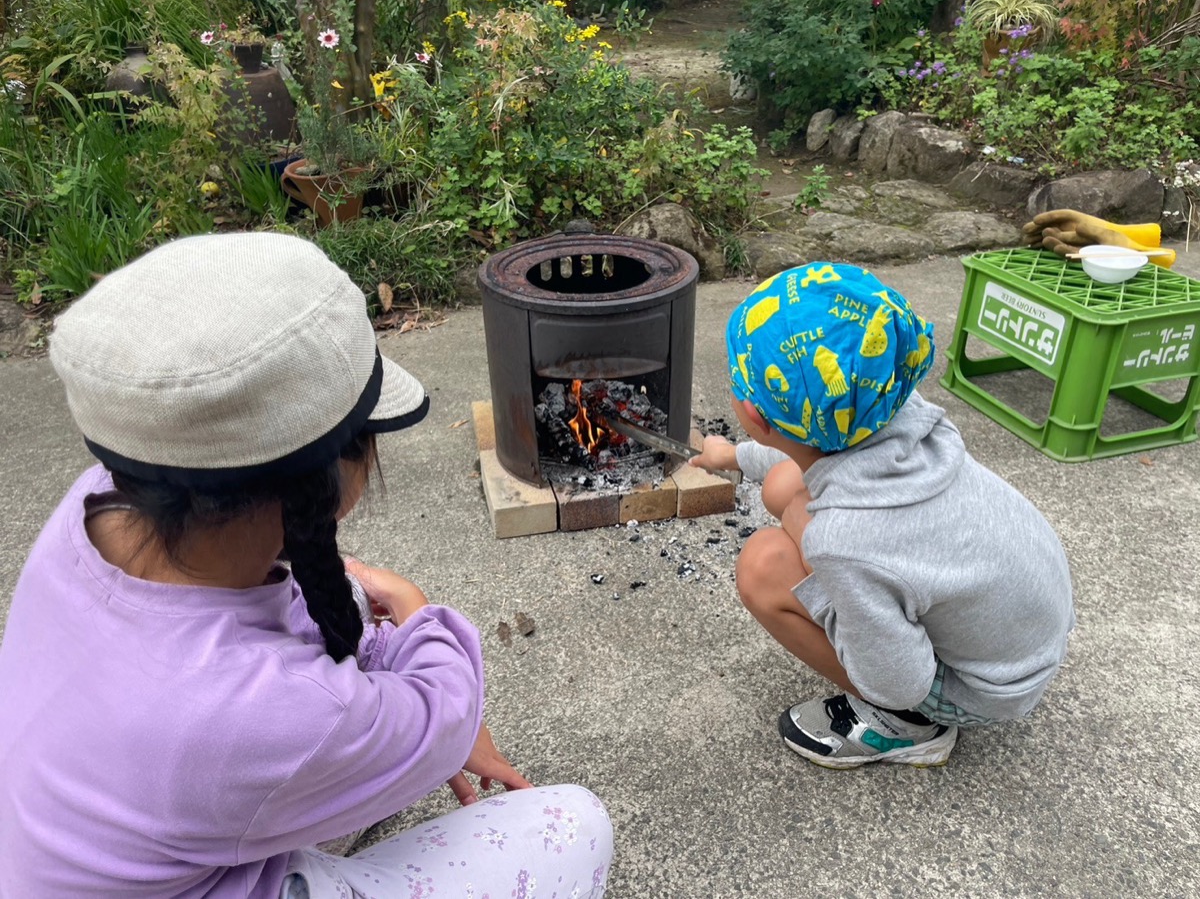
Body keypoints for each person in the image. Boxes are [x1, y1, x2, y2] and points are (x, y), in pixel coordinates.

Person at [0, 234, 612, 897]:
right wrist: (413, 609)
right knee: (573, 824)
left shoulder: (93, 501)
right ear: (322, 481)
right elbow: (444, 713)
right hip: (215, 827)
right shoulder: (262, 713)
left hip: (93, 846)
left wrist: (349, 603)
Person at [689, 263, 1074, 769]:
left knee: (763, 565)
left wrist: (826, 578)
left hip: (982, 691)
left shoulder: (844, 540)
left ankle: (910, 728)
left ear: (756, 415)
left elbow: (900, 680)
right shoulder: (890, 406)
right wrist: (734, 457)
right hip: (1024, 631)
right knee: (787, 487)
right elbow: (806, 452)